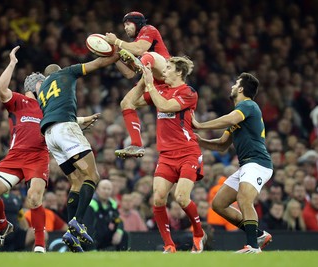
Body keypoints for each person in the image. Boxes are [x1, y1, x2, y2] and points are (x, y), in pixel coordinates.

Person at [0, 46, 101, 253]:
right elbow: (1, 90)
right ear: (36, 85)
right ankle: (2, 225)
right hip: (15, 156)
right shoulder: (20, 102)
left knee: (35, 198)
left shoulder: (49, 106)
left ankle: (39, 246)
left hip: (37, 157)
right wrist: (12, 64)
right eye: (44, 83)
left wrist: (82, 121)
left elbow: (60, 121)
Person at [35, 51, 119, 252]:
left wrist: (79, 121)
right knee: (92, 175)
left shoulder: (43, 91)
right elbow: (97, 64)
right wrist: (117, 54)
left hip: (50, 135)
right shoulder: (66, 73)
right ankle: (77, 222)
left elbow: (55, 112)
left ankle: (71, 235)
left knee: (76, 181)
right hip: (66, 129)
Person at [192, 72, 274, 253]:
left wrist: (200, 124)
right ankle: (259, 234)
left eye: (236, 83)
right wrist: (200, 140)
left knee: (244, 198)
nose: (232, 86)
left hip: (258, 163)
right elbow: (222, 145)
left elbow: (231, 118)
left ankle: (253, 246)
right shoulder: (238, 117)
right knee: (218, 204)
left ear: (242, 88)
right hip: (246, 165)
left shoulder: (249, 105)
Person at [138, 57, 207, 253]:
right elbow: (134, 102)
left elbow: (166, 106)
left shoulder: (189, 92)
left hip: (187, 152)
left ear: (179, 72)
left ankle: (199, 233)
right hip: (166, 155)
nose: (164, 70)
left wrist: (151, 84)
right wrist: (143, 79)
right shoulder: (161, 90)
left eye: (168, 67)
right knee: (158, 198)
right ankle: (169, 244)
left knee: (181, 198)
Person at [104, 12, 170, 158]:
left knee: (149, 56)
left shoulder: (148, 29)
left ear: (137, 23)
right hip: (153, 83)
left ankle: (140, 63)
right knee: (126, 103)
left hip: (167, 73)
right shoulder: (131, 46)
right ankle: (136, 145)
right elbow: (129, 74)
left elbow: (140, 49)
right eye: (124, 25)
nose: (126, 28)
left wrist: (117, 42)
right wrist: (113, 57)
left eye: (128, 24)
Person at [82, 179, 129, 251]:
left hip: (102, 236)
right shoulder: (91, 204)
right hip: (88, 237)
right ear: (97, 190)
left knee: (124, 235)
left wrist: (119, 232)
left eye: (109, 189)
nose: (106, 191)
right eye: (104, 188)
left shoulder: (112, 204)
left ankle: (122, 257)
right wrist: (92, 248)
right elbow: (87, 227)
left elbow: (118, 220)